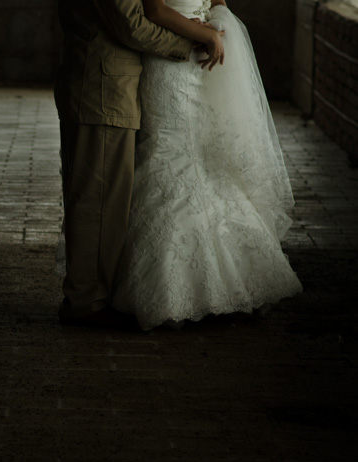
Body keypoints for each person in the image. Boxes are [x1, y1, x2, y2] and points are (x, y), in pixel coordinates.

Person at [111, 0, 303, 330]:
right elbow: (155, 10)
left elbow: (216, 2)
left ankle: (224, 281)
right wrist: (204, 34)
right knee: (169, 151)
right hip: (167, 60)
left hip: (202, 59)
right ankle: (170, 285)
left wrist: (215, 29)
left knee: (204, 156)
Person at [54, 1, 224, 327]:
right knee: (98, 203)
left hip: (99, 84)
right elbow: (131, 25)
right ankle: (86, 303)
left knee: (100, 199)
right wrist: (187, 43)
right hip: (103, 89)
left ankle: (88, 296)